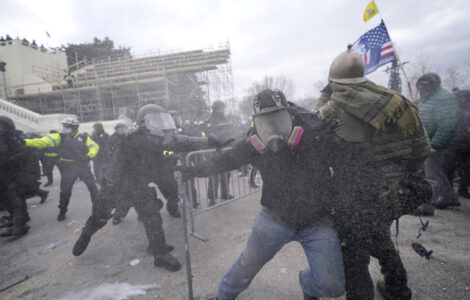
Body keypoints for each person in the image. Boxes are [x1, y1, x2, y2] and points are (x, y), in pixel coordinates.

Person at [181, 89, 353, 300]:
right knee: (246, 264)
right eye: (265, 122)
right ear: (256, 123)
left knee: (332, 287)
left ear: (290, 114)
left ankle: (308, 283)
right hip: (274, 218)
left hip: (317, 222)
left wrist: (345, 218)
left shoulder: (315, 134)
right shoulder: (255, 143)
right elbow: (226, 160)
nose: (273, 130)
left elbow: (347, 165)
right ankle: (223, 296)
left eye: (278, 119)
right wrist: (190, 171)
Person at [316, 45, 430, 300]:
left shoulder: (335, 109)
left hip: (357, 199)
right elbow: (422, 149)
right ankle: (398, 290)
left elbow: (315, 135)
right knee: (380, 236)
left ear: (334, 81)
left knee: (354, 257)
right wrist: (396, 173)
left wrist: (324, 98)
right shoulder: (396, 102)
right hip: (397, 193)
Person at [72, 104, 222, 271]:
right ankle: (86, 235)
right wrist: (206, 141)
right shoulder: (138, 138)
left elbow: (177, 143)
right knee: (99, 218)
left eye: (162, 120)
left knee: (152, 218)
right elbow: (175, 142)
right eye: (156, 121)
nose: (160, 124)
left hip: (138, 184)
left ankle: (159, 253)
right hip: (115, 186)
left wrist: (208, 141)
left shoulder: (156, 138)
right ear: (144, 123)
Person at [24, 117, 99, 221]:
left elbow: (94, 147)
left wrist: (89, 155)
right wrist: (24, 142)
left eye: (67, 127)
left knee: (93, 188)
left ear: (74, 127)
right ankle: (62, 210)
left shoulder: (84, 136)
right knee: (65, 191)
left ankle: (98, 210)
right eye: (64, 126)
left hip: (82, 166)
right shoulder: (60, 137)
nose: (65, 128)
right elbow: (42, 142)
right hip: (68, 168)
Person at [415, 73, 460, 213]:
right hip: (427, 140)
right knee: (436, 172)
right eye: (420, 86)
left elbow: (447, 123)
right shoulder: (426, 98)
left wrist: (435, 144)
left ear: (432, 85)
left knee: (432, 175)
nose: (421, 89)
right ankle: (449, 197)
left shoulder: (444, 98)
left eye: (424, 86)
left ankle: (428, 205)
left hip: (435, 142)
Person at [0, 116, 32, 237]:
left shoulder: (14, 138)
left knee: (16, 200)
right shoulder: (4, 138)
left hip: (15, 174)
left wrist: (8, 161)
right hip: (5, 175)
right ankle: (18, 221)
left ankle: (19, 226)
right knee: (10, 200)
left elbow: (24, 154)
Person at [205, 100, 234, 206]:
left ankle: (225, 193)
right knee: (214, 174)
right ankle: (212, 198)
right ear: (216, 108)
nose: (222, 109)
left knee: (226, 173)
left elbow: (228, 131)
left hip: (225, 148)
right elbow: (211, 134)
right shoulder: (212, 119)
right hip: (216, 149)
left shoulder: (224, 118)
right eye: (221, 107)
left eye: (223, 107)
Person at [443, 89, 470, 198]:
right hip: (463, 142)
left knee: (450, 167)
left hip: (455, 142)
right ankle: (459, 190)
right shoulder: (455, 110)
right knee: (463, 167)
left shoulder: (452, 109)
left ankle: (450, 192)